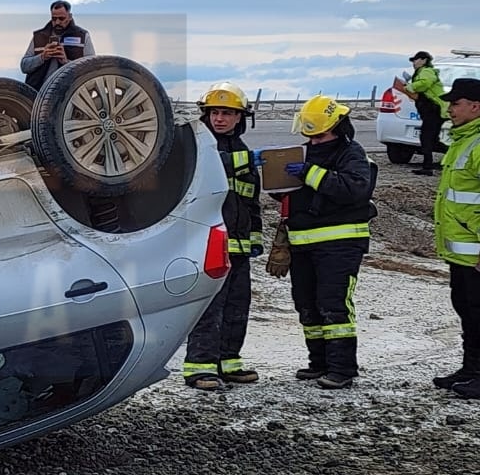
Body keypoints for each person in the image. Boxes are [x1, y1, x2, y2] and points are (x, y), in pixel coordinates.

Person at [280, 95, 376, 389]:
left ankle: (342, 369)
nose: (315, 142)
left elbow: (353, 189)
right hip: (303, 242)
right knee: (306, 304)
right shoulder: (302, 153)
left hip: (341, 242)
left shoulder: (353, 155)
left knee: (333, 304)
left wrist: (310, 173)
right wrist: (279, 184)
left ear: (338, 128)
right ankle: (318, 363)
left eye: (320, 135)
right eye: (311, 136)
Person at [181, 83, 264, 390]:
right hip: (208, 244)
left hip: (238, 246)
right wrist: (247, 161)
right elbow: (209, 170)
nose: (219, 119)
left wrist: (255, 237)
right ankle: (199, 367)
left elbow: (250, 200)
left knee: (237, 305)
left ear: (240, 117)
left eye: (227, 113)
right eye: (215, 112)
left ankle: (229, 361)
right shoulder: (199, 146)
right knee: (209, 306)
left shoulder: (241, 150)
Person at [430, 78, 480, 398]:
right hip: (461, 251)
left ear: (476, 107)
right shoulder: (462, 140)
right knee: (467, 309)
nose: (450, 109)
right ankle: (471, 369)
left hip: (476, 253)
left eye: (456, 103)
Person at [19, 0, 96, 91]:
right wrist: (42, 57)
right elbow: (24, 66)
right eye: (54, 19)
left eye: (61, 18)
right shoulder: (39, 36)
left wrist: (66, 63)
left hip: (68, 94)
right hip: (38, 93)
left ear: (70, 16)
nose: (57, 22)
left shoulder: (82, 36)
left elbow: (92, 69)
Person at [396, 50, 447, 174]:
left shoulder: (427, 71)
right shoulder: (421, 72)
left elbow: (425, 84)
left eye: (416, 59)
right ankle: (445, 158)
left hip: (434, 109)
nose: (414, 62)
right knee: (431, 139)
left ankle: (428, 167)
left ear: (424, 60)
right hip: (431, 110)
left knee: (426, 137)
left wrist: (409, 87)